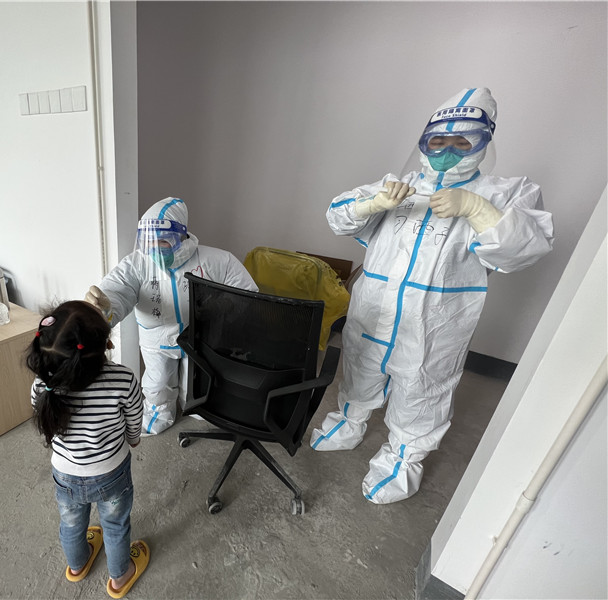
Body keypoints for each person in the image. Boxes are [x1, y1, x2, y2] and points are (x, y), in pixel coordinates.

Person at [310, 88, 554, 504]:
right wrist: (372, 204)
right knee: (360, 365)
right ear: (424, 141)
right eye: (438, 141)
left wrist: (476, 208)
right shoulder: (399, 186)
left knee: (422, 385)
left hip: (436, 320)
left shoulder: (504, 194)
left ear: (483, 142)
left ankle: (403, 458)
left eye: (462, 142)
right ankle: (349, 421)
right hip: (374, 307)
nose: (446, 152)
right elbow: (337, 216)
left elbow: (525, 248)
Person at [85, 197, 258, 435]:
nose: (153, 248)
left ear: (181, 236)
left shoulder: (216, 261)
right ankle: (158, 414)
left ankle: (195, 406)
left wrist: (223, 308)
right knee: (158, 385)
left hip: (199, 338)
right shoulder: (137, 264)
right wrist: (103, 309)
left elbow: (247, 294)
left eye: (162, 240)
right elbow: (118, 289)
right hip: (156, 340)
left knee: (195, 385)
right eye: (148, 241)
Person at [27, 300, 149, 598]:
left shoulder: (43, 385)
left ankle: (78, 564)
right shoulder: (123, 379)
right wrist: (133, 438)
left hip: (65, 472)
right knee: (115, 525)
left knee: (71, 522)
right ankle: (120, 577)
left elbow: (43, 418)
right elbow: (135, 418)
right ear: (104, 344)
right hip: (111, 472)